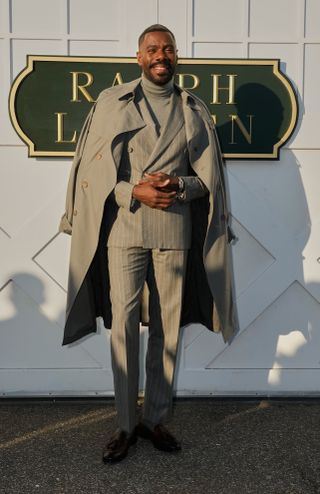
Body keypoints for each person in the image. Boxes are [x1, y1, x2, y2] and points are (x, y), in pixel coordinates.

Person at [59, 24, 237, 463]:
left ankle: (154, 419)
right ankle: (124, 424)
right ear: (139, 57)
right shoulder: (111, 103)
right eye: (152, 49)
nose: (161, 55)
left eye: (168, 49)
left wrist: (178, 183)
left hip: (173, 233)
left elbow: (207, 181)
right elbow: (93, 172)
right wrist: (131, 191)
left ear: (177, 57)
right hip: (125, 231)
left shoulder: (193, 109)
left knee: (166, 330)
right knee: (123, 328)